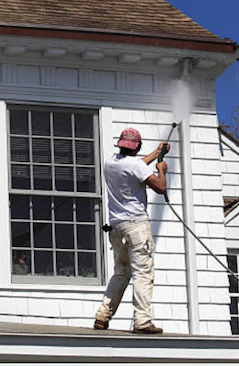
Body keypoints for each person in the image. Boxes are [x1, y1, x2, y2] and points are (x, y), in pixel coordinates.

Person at [94, 127, 170, 334]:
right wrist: (161, 168)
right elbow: (160, 187)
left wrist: (157, 152)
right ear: (137, 147)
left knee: (121, 272)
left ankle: (102, 316)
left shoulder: (111, 162)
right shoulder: (136, 166)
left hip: (116, 227)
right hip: (136, 225)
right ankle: (143, 322)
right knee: (142, 273)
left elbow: (136, 166)